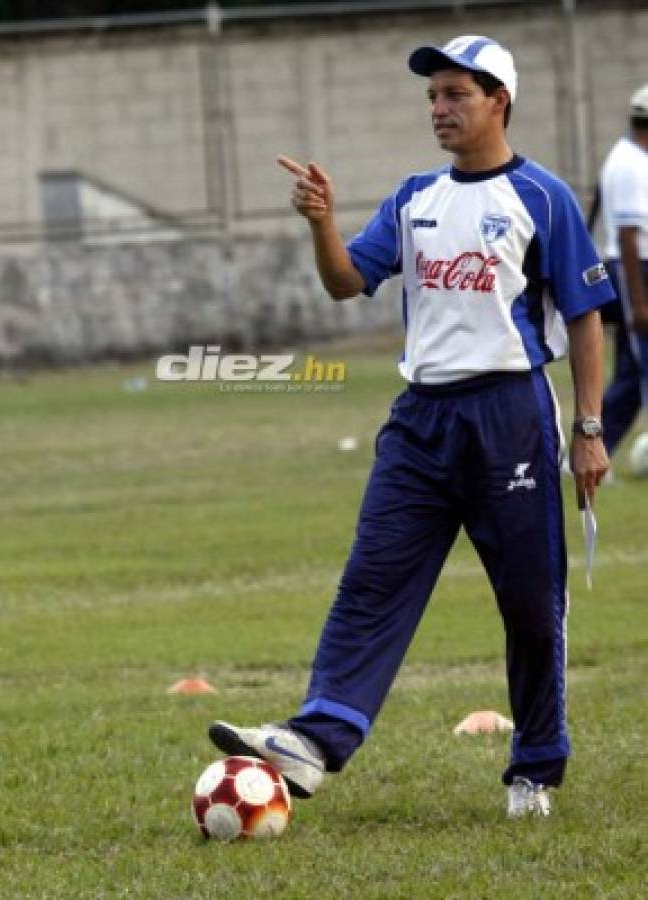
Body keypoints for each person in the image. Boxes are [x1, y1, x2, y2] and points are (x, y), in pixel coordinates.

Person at [207, 35, 614, 818]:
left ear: (498, 100)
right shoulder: (412, 197)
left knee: (531, 604)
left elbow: (585, 316)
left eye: (455, 94)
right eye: (431, 96)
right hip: (419, 422)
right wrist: (321, 222)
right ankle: (314, 739)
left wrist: (588, 426)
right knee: (372, 580)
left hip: (509, 416)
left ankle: (534, 767)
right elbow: (345, 281)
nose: (438, 108)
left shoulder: (541, 197)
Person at [599, 84, 648, 457]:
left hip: (638, 269)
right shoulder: (629, 163)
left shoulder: (634, 156)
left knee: (630, 375)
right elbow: (628, 235)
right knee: (640, 368)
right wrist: (639, 303)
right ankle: (594, 445)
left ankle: (596, 447)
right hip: (635, 272)